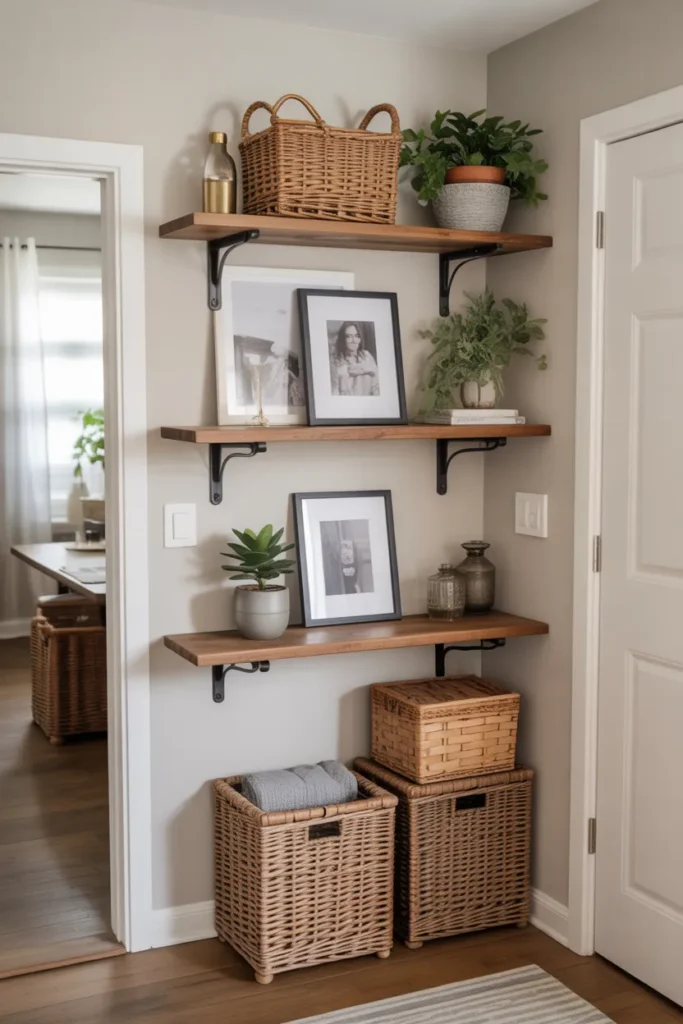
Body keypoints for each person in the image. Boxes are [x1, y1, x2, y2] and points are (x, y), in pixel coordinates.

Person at [329, 322, 379, 397]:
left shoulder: (367, 356)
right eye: (349, 336)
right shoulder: (335, 361)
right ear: (343, 339)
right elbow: (334, 392)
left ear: (360, 339)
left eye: (357, 336)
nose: (354, 340)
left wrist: (363, 370)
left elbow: (376, 386)